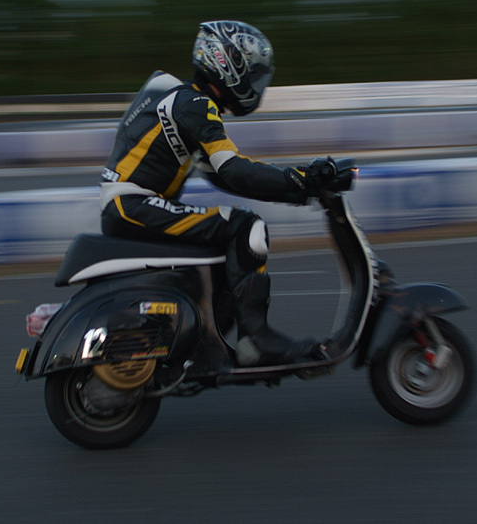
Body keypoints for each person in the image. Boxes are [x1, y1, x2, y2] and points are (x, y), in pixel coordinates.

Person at [100, 20, 335, 367]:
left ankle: (204, 342)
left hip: (128, 205)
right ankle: (256, 339)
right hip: (132, 204)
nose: (255, 84)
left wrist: (302, 192)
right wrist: (302, 178)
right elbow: (234, 170)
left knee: (226, 241)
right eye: (253, 74)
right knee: (246, 227)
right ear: (227, 64)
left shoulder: (180, 100)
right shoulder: (195, 103)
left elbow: (226, 179)